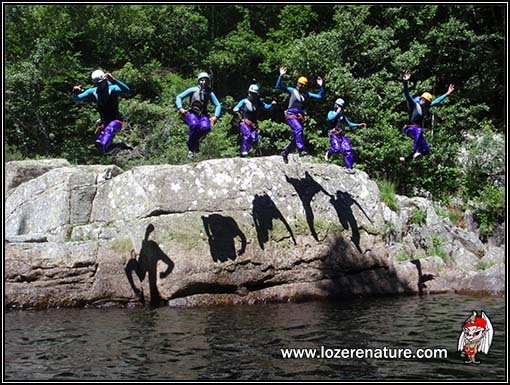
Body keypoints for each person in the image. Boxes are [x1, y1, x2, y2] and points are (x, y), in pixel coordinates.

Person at [72, 69, 132, 155]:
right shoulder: (93, 91)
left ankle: (104, 145)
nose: (99, 85)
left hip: (117, 121)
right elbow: (77, 99)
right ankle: (119, 145)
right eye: (97, 84)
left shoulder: (113, 88)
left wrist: (114, 80)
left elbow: (127, 91)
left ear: (105, 80)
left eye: (100, 83)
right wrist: (75, 92)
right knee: (103, 147)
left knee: (108, 130)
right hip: (104, 122)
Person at [400, 70, 455, 162]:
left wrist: (447, 94)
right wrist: (405, 82)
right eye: (424, 100)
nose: (425, 103)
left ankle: (407, 159)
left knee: (426, 150)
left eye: (427, 102)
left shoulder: (426, 107)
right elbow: (407, 94)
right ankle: (416, 150)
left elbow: (437, 101)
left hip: (417, 132)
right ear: (421, 99)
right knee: (419, 130)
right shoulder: (414, 104)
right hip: (409, 128)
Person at [276, 66, 324, 163]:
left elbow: (319, 96)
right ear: (297, 83)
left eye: (303, 85)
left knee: (297, 138)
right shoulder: (292, 90)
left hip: (299, 117)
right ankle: (301, 150)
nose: (301, 86)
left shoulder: (306, 94)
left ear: (305, 86)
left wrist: (321, 86)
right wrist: (281, 76)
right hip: (290, 114)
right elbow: (279, 86)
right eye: (300, 84)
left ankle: (285, 153)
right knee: (299, 129)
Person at [176, 72, 222, 158]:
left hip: (203, 115)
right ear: (199, 81)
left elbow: (218, 105)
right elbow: (179, 97)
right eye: (202, 80)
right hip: (192, 113)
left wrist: (215, 116)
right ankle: (191, 148)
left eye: (205, 80)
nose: (203, 82)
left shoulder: (209, 93)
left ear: (208, 82)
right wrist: (180, 108)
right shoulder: (193, 89)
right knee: (194, 125)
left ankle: (196, 143)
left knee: (205, 128)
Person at [233, 82, 276, 157]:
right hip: (244, 122)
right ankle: (244, 151)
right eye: (251, 93)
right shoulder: (244, 101)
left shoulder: (259, 102)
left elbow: (267, 107)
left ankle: (250, 151)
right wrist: (236, 109)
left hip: (254, 124)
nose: (252, 95)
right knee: (247, 134)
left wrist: (272, 105)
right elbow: (236, 107)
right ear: (248, 93)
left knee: (254, 138)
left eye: (254, 93)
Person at [324, 98, 367, 174]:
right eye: (339, 106)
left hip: (341, 134)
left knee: (348, 149)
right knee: (336, 148)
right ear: (336, 105)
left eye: (341, 106)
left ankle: (349, 168)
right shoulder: (331, 113)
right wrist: (337, 112)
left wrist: (359, 124)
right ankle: (328, 152)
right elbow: (330, 118)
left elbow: (349, 123)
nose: (340, 107)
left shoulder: (342, 115)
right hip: (333, 134)